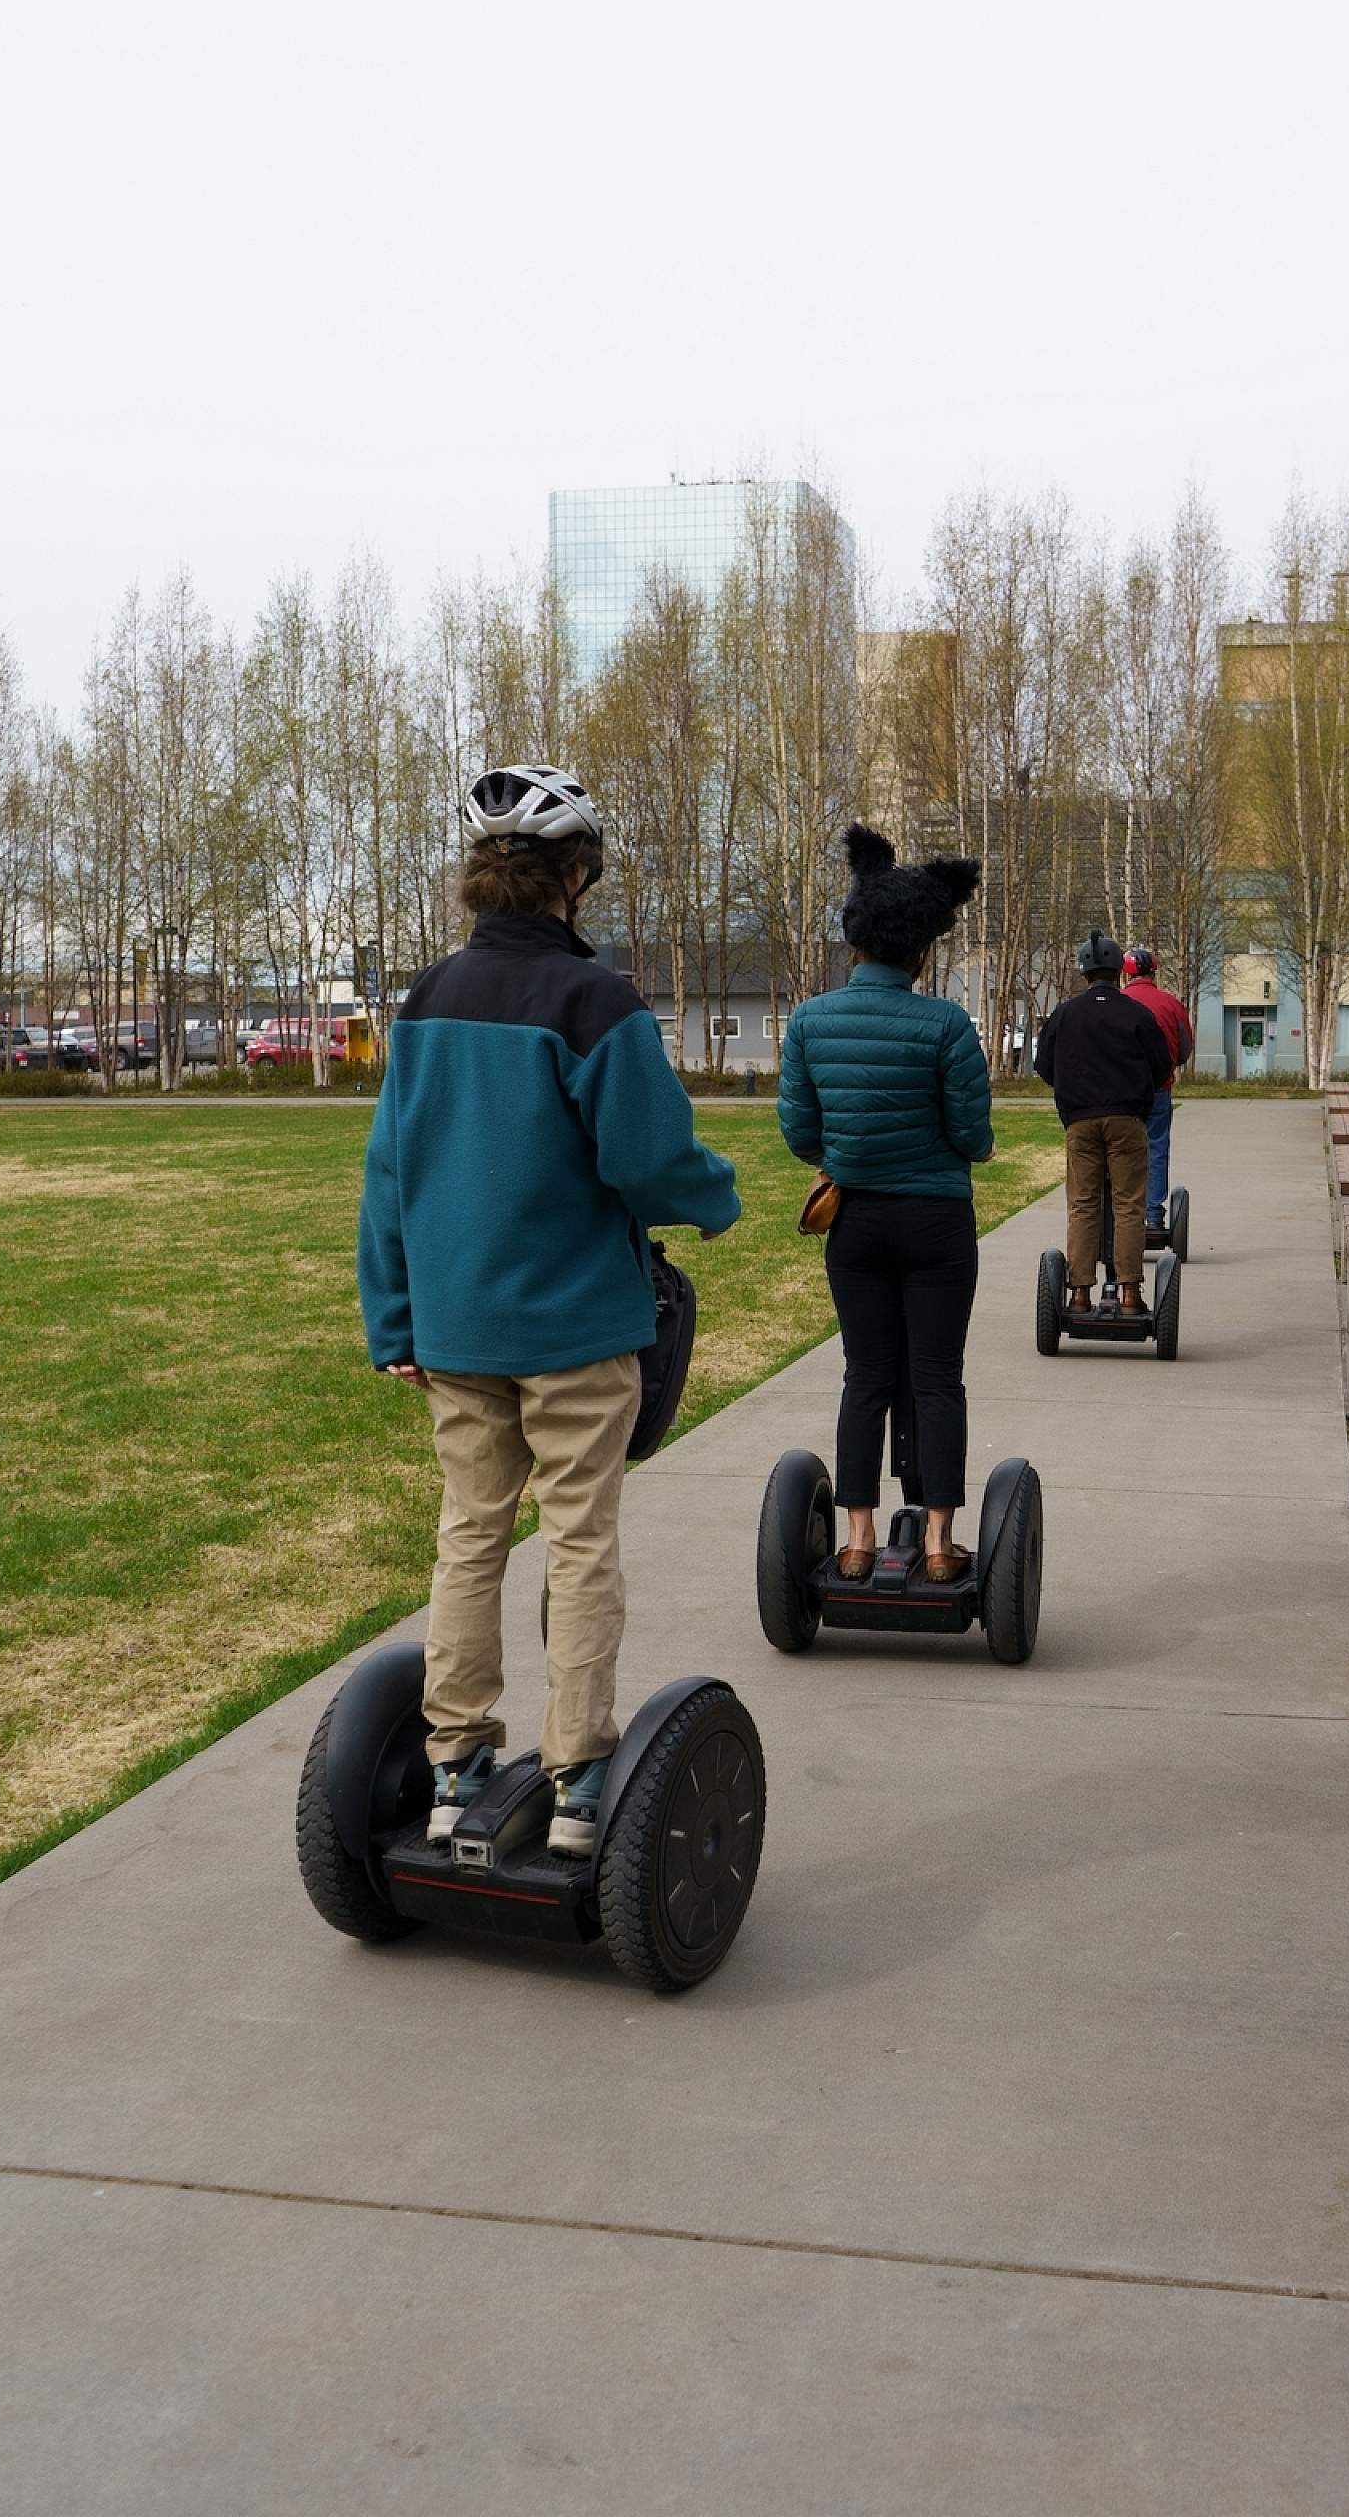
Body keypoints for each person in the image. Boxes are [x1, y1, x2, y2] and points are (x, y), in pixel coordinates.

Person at [357, 763, 741, 1858]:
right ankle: (579, 1781)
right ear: (575, 878)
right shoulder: (595, 1001)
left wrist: (394, 1321)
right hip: (575, 1329)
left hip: (458, 1332)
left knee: (469, 1539)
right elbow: (650, 1160)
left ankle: (455, 1765)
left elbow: (389, 1175)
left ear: (480, 879)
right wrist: (715, 1199)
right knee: (579, 1543)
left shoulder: (425, 1003)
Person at [778, 825, 991, 1584]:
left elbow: (800, 1133)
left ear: (854, 941)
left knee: (866, 1374)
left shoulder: (808, 1021)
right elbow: (973, 1136)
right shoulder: (947, 1025)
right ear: (922, 951)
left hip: (856, 1220)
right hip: (937, 1223)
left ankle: (860, 1536)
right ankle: (937, 1542)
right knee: (937, 1377)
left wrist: (843, 1156)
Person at [1033, 930, 1173, 1315]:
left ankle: (1078, 1293)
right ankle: (1129, 1292)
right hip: (1127, 1119)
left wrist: (1072, 1090)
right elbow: (1161, 1066)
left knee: (1082, 1204)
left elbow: (1043, 1065)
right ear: (1117, 972)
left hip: (1080, 1121)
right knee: (1129, 1205)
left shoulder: (1065, 1014)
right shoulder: (1136, 1013)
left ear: (1084, 972)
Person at [1121, 946, 1194, 1226]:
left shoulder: (1120, 1002)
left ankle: (1122, 1213)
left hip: (1122, 1093)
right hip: (1159, 1089)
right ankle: (1152, 1214)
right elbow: (1184, 1050)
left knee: (1119, 1150)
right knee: (1156, 1148)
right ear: (1154, 971)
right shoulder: (1170, 1003)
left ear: (1126, 974)